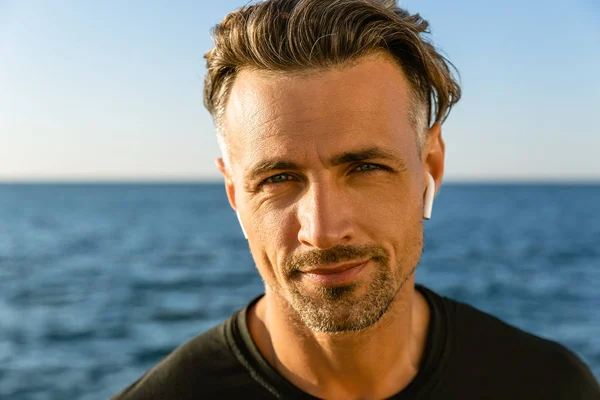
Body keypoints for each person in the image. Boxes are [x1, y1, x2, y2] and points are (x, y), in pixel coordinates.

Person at [111, 0, 600, 398]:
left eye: (365, 168)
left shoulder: (549, 385)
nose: (322, 229)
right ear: (235, 194)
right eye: (279, 178)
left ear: (431, 166)